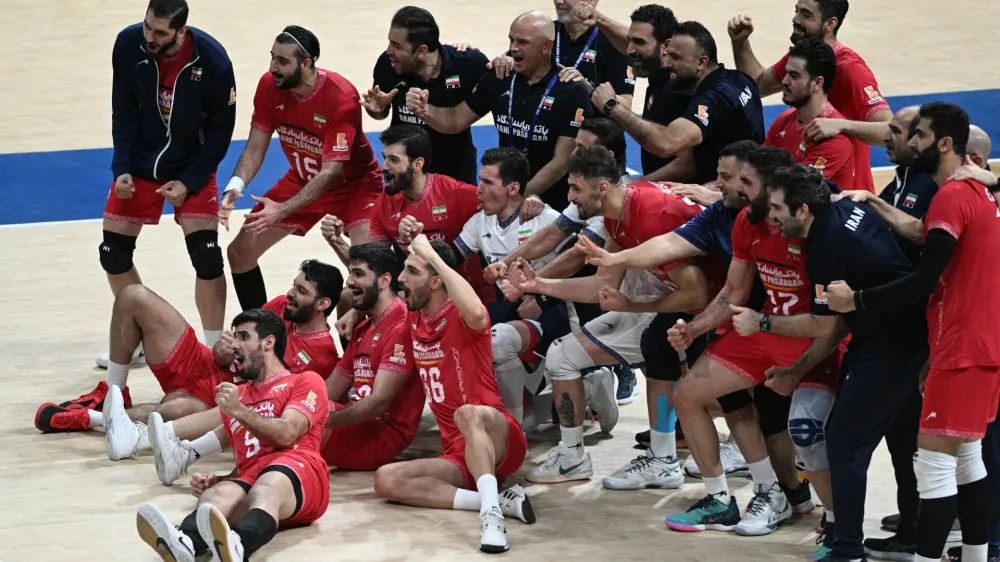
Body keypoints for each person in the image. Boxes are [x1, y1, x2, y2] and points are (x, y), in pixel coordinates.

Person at [824, 103, 1000, 562]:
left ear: (943, 143)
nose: (910, 142)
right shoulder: (976, 192)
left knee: (935, 465)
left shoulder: (952, 196)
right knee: (966, 460)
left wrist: (856, 300)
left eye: (917, 135)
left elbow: (924, 279)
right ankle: (979, 557)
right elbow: (927, 239)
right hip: (979, 344)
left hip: (962, 346)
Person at [506, 146, 713, 488]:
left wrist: (633, 307)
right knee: (645, 362)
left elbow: (697, 293)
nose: (570, 199)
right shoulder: (620, 209)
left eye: (575, 188)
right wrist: (538, 283)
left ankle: (658, 459)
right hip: (665, 297)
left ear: (601, 187)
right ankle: (650, 458)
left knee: (710, 390)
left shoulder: (651, 213)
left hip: (708, 306)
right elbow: (603, 286)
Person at [750, 164, 927, 561]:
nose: (772, 216)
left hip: (889, 349)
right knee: (900, 442)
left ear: (803, 211)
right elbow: (821, 184)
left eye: (778, 208)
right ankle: (911, 534)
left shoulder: (826, 251)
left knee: (845, 444)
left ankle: (847, 548)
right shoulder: (842, 203)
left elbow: (824, 324)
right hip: (910, 339)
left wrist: (761, 321)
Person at [662, 150, 836, 538]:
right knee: (687, 394)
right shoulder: (746, 220)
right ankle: (721, 501)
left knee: (807, 432)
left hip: (812, 339)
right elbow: (733, 292)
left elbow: (832, 322)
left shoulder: (818, 229)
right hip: (765, 331)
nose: (735, 188)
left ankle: (838, 525)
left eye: (746, 183)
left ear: (774, 189)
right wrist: (695, 327)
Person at [148, 244, 424, 486]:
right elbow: (329, 388)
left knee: (291, 415)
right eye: (350, 273)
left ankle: (212, 468)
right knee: (276, 396)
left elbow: (378, 404)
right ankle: (187, 453)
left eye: (358, 274)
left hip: (381, 433)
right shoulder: (363, 326)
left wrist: (314, 417)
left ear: (385, 281)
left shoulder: (400, 326)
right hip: (351, 419)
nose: (349, 282)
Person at [36, 261, 342, 447]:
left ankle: (88, 419)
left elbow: (274, 397)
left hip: (217, 397)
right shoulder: (279, 305)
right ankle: (112, 391)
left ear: (322, 304)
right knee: (133, 296)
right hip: (203, 360)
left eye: (302, 292)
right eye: (294, 285)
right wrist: (224, 347)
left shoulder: (323, 355)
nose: (291, 293)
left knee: (168, 414)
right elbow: (240, 332)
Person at [373, 235, 533, 554]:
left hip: (498, 433)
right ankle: (495, 499)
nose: (402, 278)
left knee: (467, 413)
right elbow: (373, 294)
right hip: (458, 451)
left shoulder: (462, 315)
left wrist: (431, 253)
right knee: (386, 480)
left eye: (412, 271)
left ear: (436, 280)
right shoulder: (414, 317)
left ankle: (492, 518)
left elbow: (476, 311)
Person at [100, 0, 235, 367]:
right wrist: (121, 166)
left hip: (191, 164)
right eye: (147, 26)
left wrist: (190, 181)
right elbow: (123, 107)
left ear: (181, 31)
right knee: (112, 254)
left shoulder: (214, 61)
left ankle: (212, 353)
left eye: (159, 32)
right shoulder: (129, 44)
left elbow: (223, 131)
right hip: (141, 162)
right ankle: (137, 336)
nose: (149, 36)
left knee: (207, 255)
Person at [136, 309, 330, 562]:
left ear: (268, 342)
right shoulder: (238, 395)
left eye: (243, 336)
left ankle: (239, 546)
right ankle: (186, 543)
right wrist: (220, 479)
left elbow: (287, 434)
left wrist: (239, 410)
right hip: (255, 477)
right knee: (216, 496)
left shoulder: (304, 381)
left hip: (302, 472)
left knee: (269, 483)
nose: (234, 344)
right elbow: (250, 458)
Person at [219, 26, 382, 312]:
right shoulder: (269, 86)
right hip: (303, 179)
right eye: (272, 58)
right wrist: (236, 183)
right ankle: (260, 333)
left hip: (354, 186)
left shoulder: (340, 96)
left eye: (282, 61)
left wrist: (282, 210)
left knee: (368, 273)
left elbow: (331, 172)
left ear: (306, 64)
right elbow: (256, 147)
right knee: (240, 252)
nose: (273, 67)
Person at [489, 117, 639, 405]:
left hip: (633, 289)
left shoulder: (619, 194)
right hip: (607, 281)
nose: (572, 154)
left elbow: (577, 257)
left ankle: (622, 367)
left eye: (581, 148)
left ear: (605, 158)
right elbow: (552, 234)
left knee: (584, 278)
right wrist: (506, 262)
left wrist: (531, 285)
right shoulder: (587, 186)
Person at [405, 11, 592, 209]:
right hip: (505, 198)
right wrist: (424, 109)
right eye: (511, 40)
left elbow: (561, 161)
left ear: (546, 46)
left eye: (523, 42)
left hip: (550, 202)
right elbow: (455, 121)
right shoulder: (499, 78)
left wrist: (518, 196)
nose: (513, 48)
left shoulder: (570, 89)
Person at [453, 147, 566, 426]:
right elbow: (452, 256)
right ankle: (527, 409)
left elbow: (581, 267)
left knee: (499, 338)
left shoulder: (547, 220)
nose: (477, 189)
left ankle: (509, 428)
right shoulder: (480, 221)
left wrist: (541, 300)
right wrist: (417, 244)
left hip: (552, 313)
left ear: (513, 188)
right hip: (510, 314)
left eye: (487, 182)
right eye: (479, 180)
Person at [729, 0, 892, 192]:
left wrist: (842, 125)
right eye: (796, 11)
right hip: (806, 188)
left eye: (806, 15)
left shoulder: (851, 70)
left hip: (844, 197)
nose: (795, 19)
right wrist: (740, 43)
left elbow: (890, 131)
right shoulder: (803, 59)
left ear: (830, 23)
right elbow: (758, 85)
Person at [591, 20, 765, 186]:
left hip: (730, 198)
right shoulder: (740, 78)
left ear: (701, 62)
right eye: (667, 54)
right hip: (746, 183)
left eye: (675, 57)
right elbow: (640, 48)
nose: (666, 63)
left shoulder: (713, 99)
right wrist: (597, 18)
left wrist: (612, 106)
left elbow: (667, 143)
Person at [367, 7, 488, 184]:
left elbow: (500, 78)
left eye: (397, 45)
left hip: (453, 174)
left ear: (421, 51)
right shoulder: (388, 64)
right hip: (405, 174)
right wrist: (378, 110)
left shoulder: (468, 64)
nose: (388, 50)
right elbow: (380, 112)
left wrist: (506, 61)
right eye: (390, 42)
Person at [764, 38, 855, 188]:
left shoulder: (834, 141)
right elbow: (757, 166)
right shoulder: (785, 119)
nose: (784, 81)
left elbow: (794, 191)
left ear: (817, 83)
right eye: (786, 73)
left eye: (794, 76)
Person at [550, 0, 634, 111]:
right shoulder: (544, 33)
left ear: (592, 1)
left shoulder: (615, 42)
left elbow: (626, 106)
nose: (559, 1)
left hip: (592, 123)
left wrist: (590, 91)